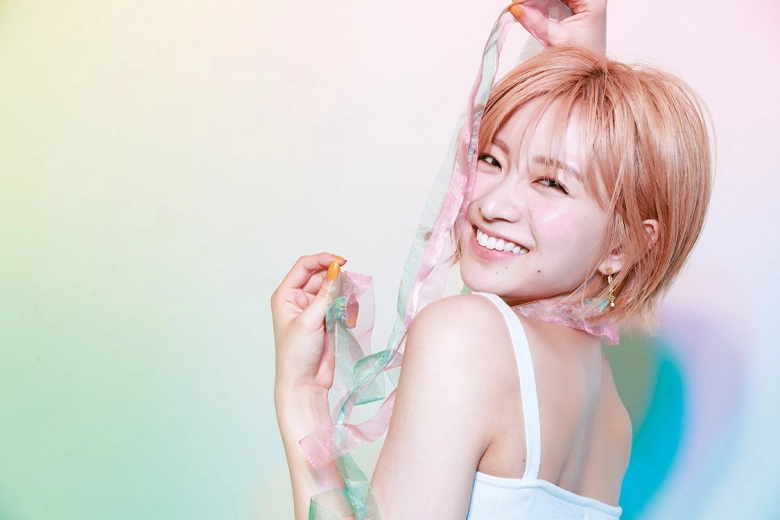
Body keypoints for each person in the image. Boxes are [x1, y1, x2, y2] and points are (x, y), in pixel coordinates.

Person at [271, 1, 712, 518]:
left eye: (551, 183)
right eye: (489, 158)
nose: (492, 204)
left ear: (624, 247)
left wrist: (299, 396)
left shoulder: (464, 335)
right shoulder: (610, 415)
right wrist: (580, 74)